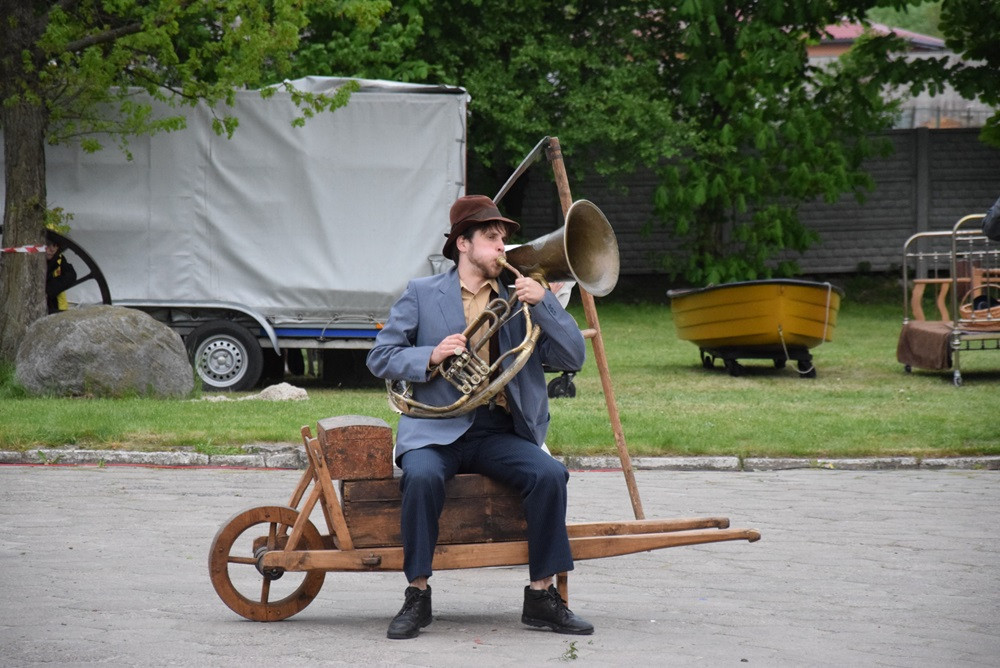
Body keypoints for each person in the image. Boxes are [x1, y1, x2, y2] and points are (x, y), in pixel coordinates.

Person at [366, 194, 593, 640]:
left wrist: (545, 303)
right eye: (492, 239)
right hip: (435, 427)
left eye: (504, 239)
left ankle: (541, 597)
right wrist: (429, 354)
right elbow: (380, 357)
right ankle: (418, 594)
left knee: (550, 475)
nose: (503, 248)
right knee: (422, 478)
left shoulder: (521, 296)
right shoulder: (422, 293)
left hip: (498, 429)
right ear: (463, 244)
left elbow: (574, 356)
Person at [46, 241, 77, 314]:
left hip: (53, 306)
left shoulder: (59, 259)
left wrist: (47, 291)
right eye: (48, 245)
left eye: (55, 246)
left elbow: (71, 275)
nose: (52, 249)